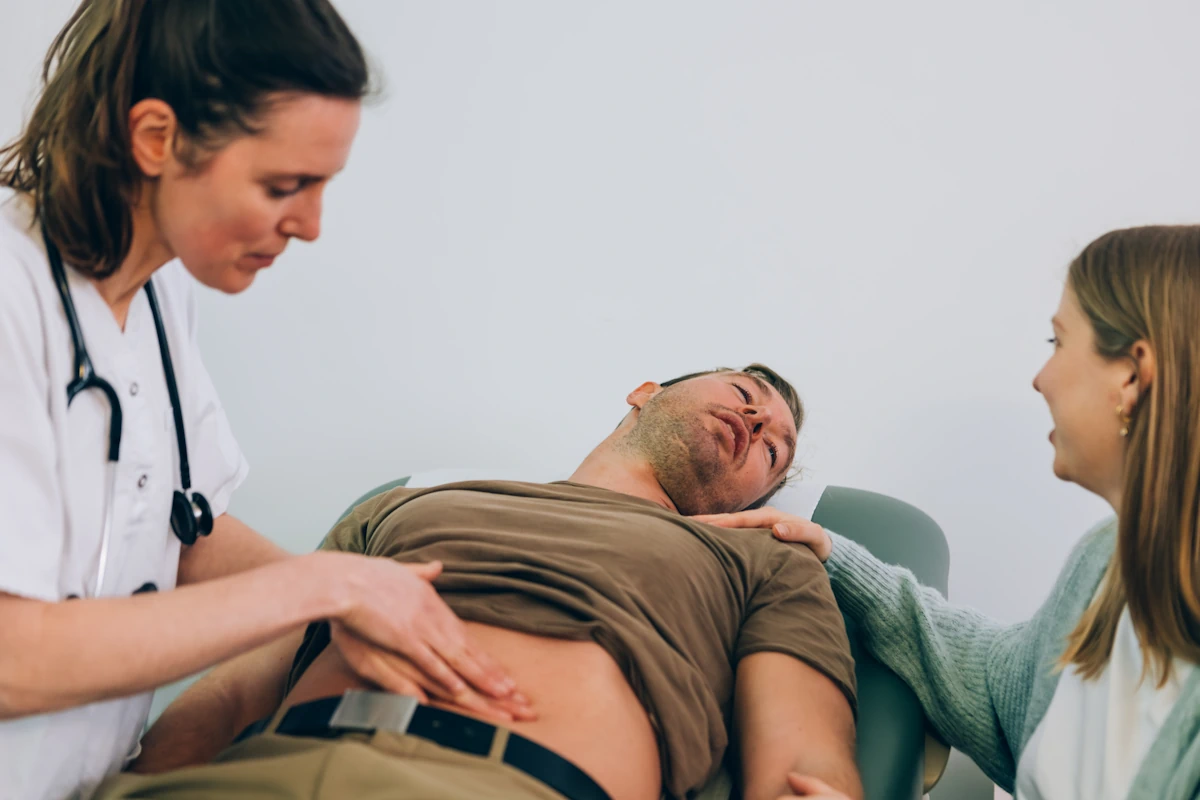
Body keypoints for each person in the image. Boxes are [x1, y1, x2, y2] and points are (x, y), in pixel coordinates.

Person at [0, 2, 522, 798]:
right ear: (156, 139)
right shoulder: (12, 293)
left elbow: (181, 529)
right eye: (285, 185)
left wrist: (358, 604)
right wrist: (326, 588)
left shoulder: (159, 297)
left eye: (323, 186)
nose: (311, 225)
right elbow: (13, 659)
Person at [98, 364, 862, 800]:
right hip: (262, 777)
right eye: (746, 394)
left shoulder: (766, 557)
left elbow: (805, 761)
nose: (758, 424)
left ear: (760, 497)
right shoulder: (406, 506)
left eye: (775, 450)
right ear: (644, 391)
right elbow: (239, 687)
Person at [699, 228, 1200, 799]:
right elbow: (996, 683)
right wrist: (836, 558)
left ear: (1132, 376)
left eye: (1058, 342)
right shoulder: (1112, 560)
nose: (1040, 379)